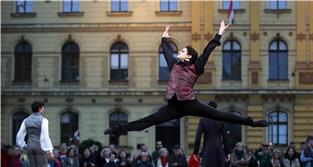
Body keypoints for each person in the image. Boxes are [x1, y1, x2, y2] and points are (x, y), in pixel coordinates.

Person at [104, 21, 268, 137]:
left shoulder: (196, 67)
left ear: (188, 56)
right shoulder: (173, 64)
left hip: (190, 104)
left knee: (221, 115)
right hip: (173, 107)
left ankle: (254, 123)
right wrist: (164, 38)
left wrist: (219, 33)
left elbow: (207, 51)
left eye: (182, 51)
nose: (179, 52)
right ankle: (116, 129)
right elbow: (167, 51)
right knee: (148, 121)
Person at [16, 101, 54, 167]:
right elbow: (45, 136)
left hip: (29, 145)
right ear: (40, 108)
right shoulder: (44, 120)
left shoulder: (26, 120)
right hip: (40, 145)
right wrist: (50, 150)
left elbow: (19, 135)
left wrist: (22, 145)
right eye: (43, 107)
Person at [193, 101, 228, 167]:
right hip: (218, 148)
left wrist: (196, 152)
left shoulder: (203, 120)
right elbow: (225, 137)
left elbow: (198, 137)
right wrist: (227, 152)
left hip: (208, 148)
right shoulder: (221, 119)